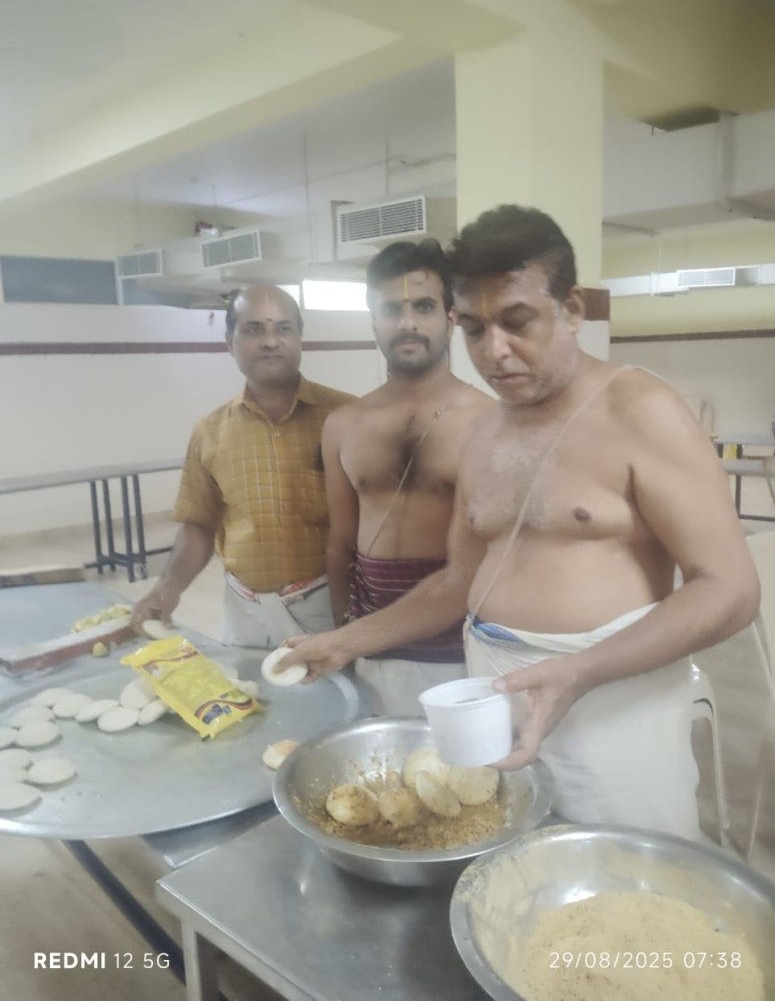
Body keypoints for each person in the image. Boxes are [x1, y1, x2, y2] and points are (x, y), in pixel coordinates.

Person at [279, 205, 760, 839]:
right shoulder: (485, 433)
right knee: (517, 861)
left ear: (573, 310)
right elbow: (459, 581)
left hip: (611, 705)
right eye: (474, 328)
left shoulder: (640, 409)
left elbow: (731, 589)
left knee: (624, 871)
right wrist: (346, 641)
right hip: (496, 701)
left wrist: (580, 672)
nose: (494, 352)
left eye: (517, 322)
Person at [131, 284, 354, 648]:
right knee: (247, 686)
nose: (270, 341)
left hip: (331, 606)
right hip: (245, 614)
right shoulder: (210, 432)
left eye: (283, 328)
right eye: (254, 329)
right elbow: (199, 524)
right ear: (229, 342)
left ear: (300, 338)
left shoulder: (348, 417)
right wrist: (167, 588)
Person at [322, 239, 492, 715]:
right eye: (392, 309)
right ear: (374, 321)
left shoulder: (490, 423)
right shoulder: (343, 425)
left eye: (424, 306)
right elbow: (340, 543)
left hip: (462, 646)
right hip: (370, 641)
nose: (408, 322)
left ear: (451, 317)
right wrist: (343, 631)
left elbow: (491, 561)